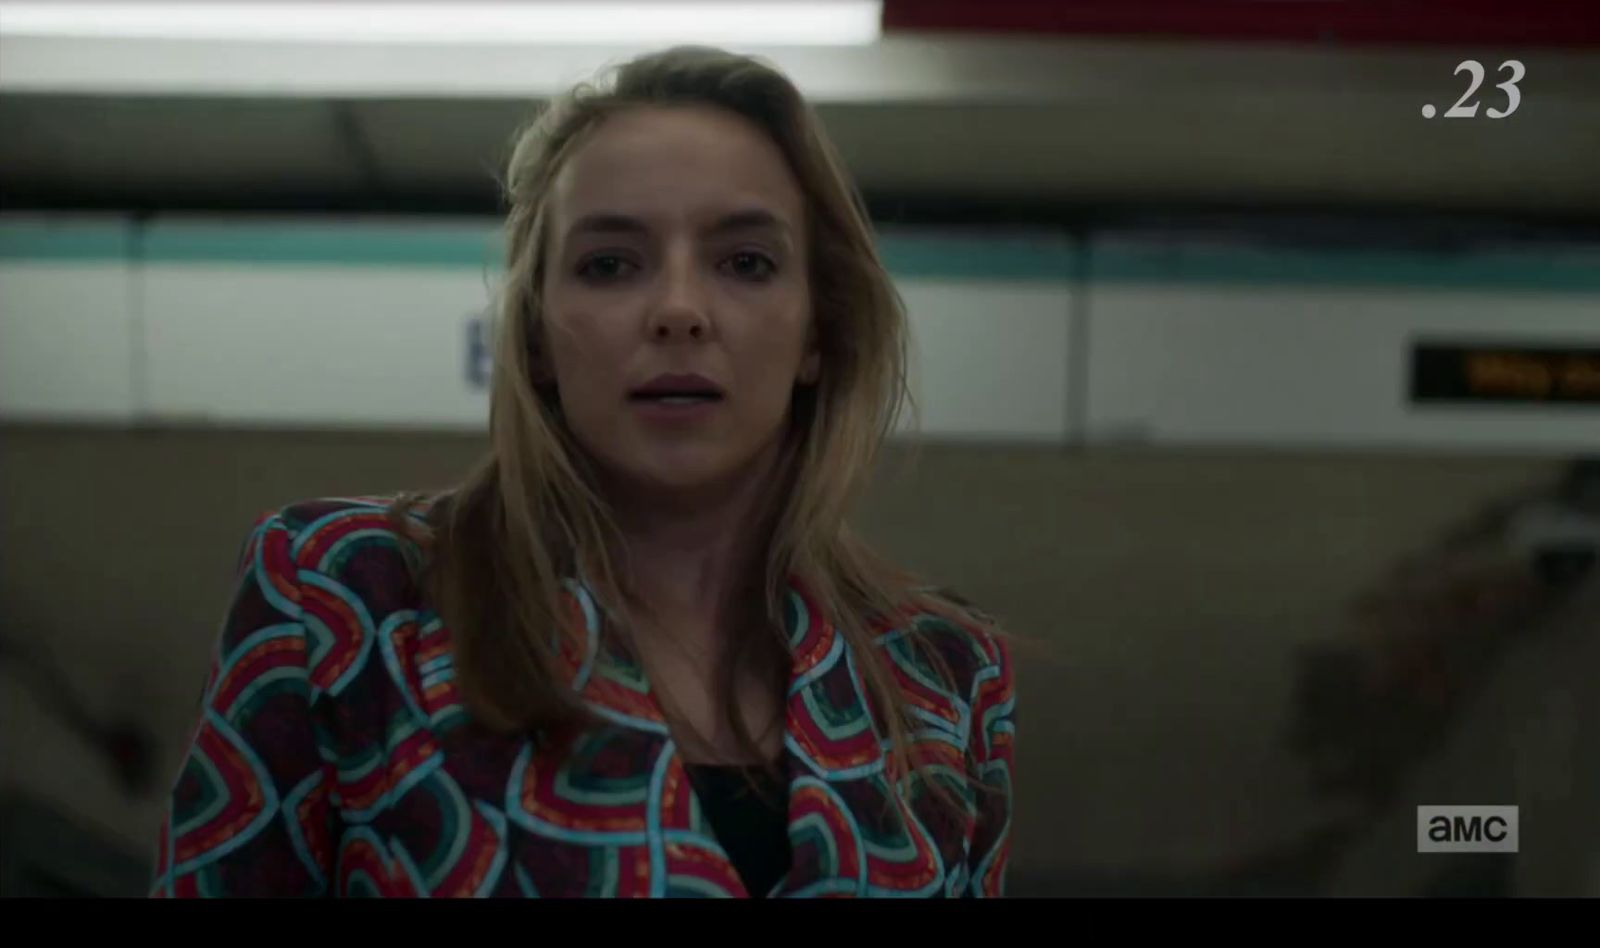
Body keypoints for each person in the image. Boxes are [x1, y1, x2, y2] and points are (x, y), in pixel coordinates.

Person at [149, 45, 1015, 899]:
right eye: (610, 264)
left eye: (746, 262)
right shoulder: (350, 597)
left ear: (818, 334)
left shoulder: (940, 676)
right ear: (534, 336)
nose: (679, 310)